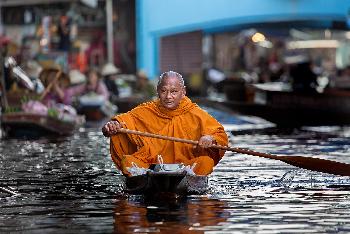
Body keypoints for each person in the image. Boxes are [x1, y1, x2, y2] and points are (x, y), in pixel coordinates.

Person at [102, 71, 228, 176]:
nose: (168, 96)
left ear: (183, 92)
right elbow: (123, 121)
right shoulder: (147, 110)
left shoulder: (195, 113)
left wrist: (209, 138)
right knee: (128, 162)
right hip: (150, 165)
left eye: (174, 92)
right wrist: (112, 126)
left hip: (186, 166)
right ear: (157, 91)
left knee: (205, 162)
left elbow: (219, 134)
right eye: (164, 91)